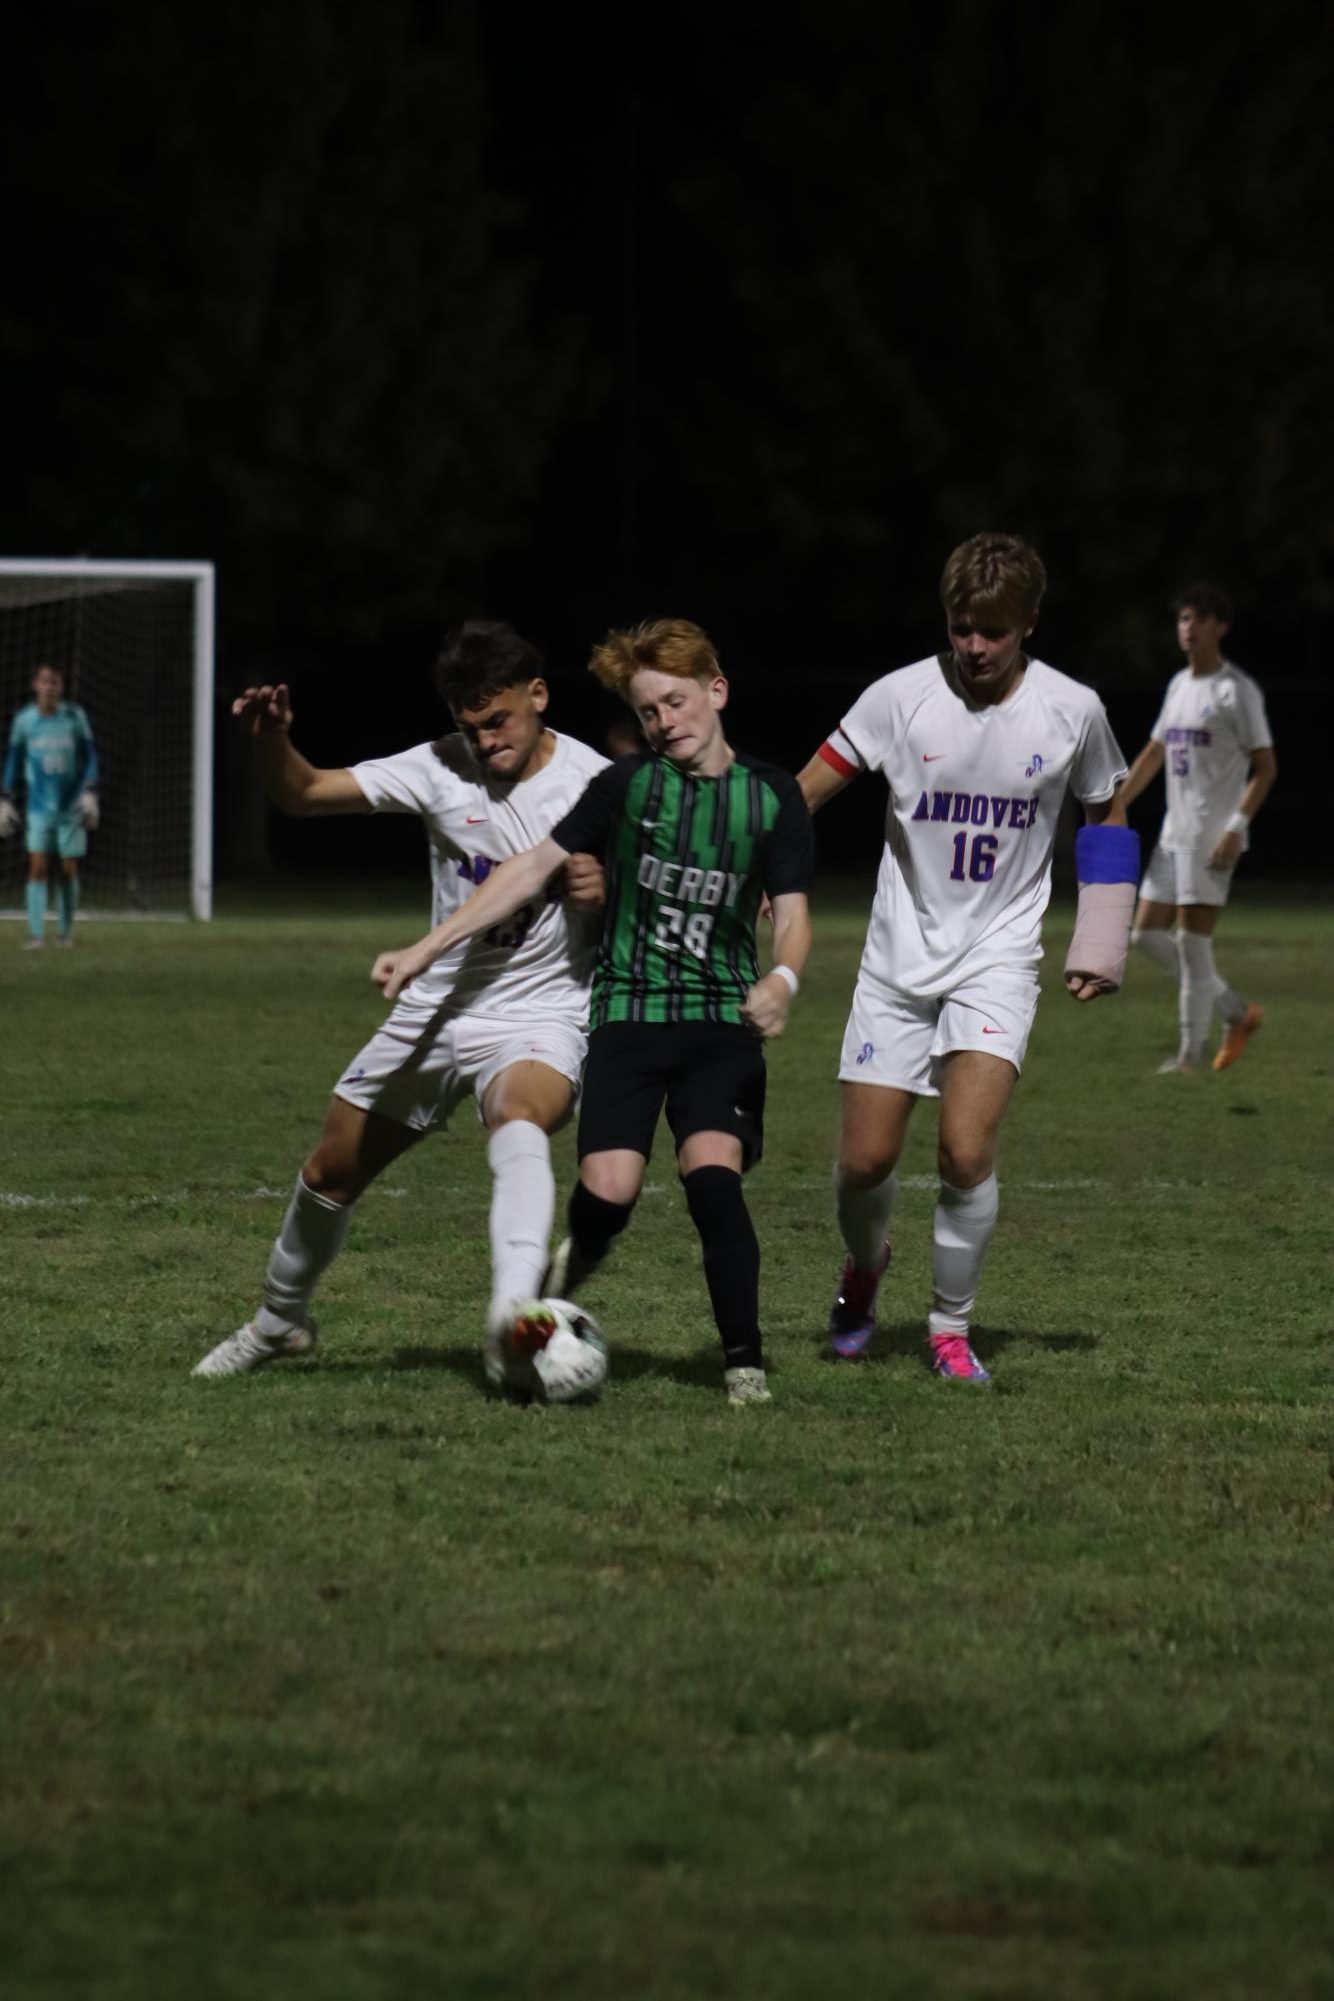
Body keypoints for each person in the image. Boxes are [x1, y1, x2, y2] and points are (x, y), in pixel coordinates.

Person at [374, 617, 815, 1405]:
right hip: (626, 1018)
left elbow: (792, 908)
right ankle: (571, 1267)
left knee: (712, 1178)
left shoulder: (771, 794)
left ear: (716, 691)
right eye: (648, 712)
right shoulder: (625, 787)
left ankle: (743, 1363)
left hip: (720, 1023)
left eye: (675, 703)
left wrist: (782, 976)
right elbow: (526, 868)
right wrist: (426, 947)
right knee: (609, 1192)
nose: (663, 722)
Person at [192, 619, 608, 1379]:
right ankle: (279, 1323)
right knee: (329, 1173)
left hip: (541, 1010)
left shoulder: (595, 780)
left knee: (519, 1116)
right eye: (469, 727)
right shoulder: (437, 766)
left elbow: (647, 901)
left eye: (498, 721)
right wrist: (269, 739)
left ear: (538, 695)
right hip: (437, 1007)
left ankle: (513, 1310)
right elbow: (305, 792)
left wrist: (603, 890)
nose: (485, 743)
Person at [796, 532, 1134, 1384]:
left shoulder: (1073, 710)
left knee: (963, 1152)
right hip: (895, 958)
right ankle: (865, 1269)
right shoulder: (899, 697)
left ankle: (950, 1329)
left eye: (993, 630)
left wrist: (1100, 937)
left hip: (998, 956)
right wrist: (766, 867)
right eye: (960, 628)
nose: (974, 647)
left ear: (1030, 623)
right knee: (866, 1163)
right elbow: (803, 792)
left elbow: (1109, 816)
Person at [1118, 583, 1277, 1074]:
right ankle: (1235, 1012)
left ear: (1220, 626)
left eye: (1199, 619)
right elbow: (1153, 754)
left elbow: (1266, 768)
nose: (1189, 628)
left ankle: (1190, 1057)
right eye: (1183, 619)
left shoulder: (1237, 690)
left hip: (1211, 841)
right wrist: (1115, 803)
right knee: (1144, 935)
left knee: (1192, 946)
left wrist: (1235, 827)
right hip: (1174, 836)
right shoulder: (1179, 686)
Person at [0, 663, 100, 948]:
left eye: (55, 682)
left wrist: (91, 789)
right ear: (36, 685)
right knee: (38, 868)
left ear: (61, 688)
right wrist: (4, 795)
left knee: (68, 870)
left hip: (71, 805)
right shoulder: (25, 721)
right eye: (45, 682)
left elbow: (91, 756)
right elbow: (13, 759)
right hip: (39, 807)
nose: (50, 687)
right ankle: (35, 934)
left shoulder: (74, 717)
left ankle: (65, 934)